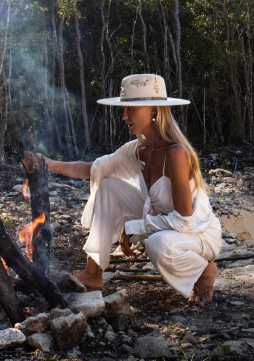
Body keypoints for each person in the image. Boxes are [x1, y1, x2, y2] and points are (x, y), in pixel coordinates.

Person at [45, 74, 222, 303]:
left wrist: (134, 227)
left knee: (155, 245)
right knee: (107, 185)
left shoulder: (176, 153)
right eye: (124, 108)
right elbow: (92, 169)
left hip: (195, 234)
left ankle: (205, 270)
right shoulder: (138, 150)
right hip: (161, 220)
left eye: (131, 108)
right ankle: (92, 272)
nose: (124, 115)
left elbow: (185, 222)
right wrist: (47, 164)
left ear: (153, 110)